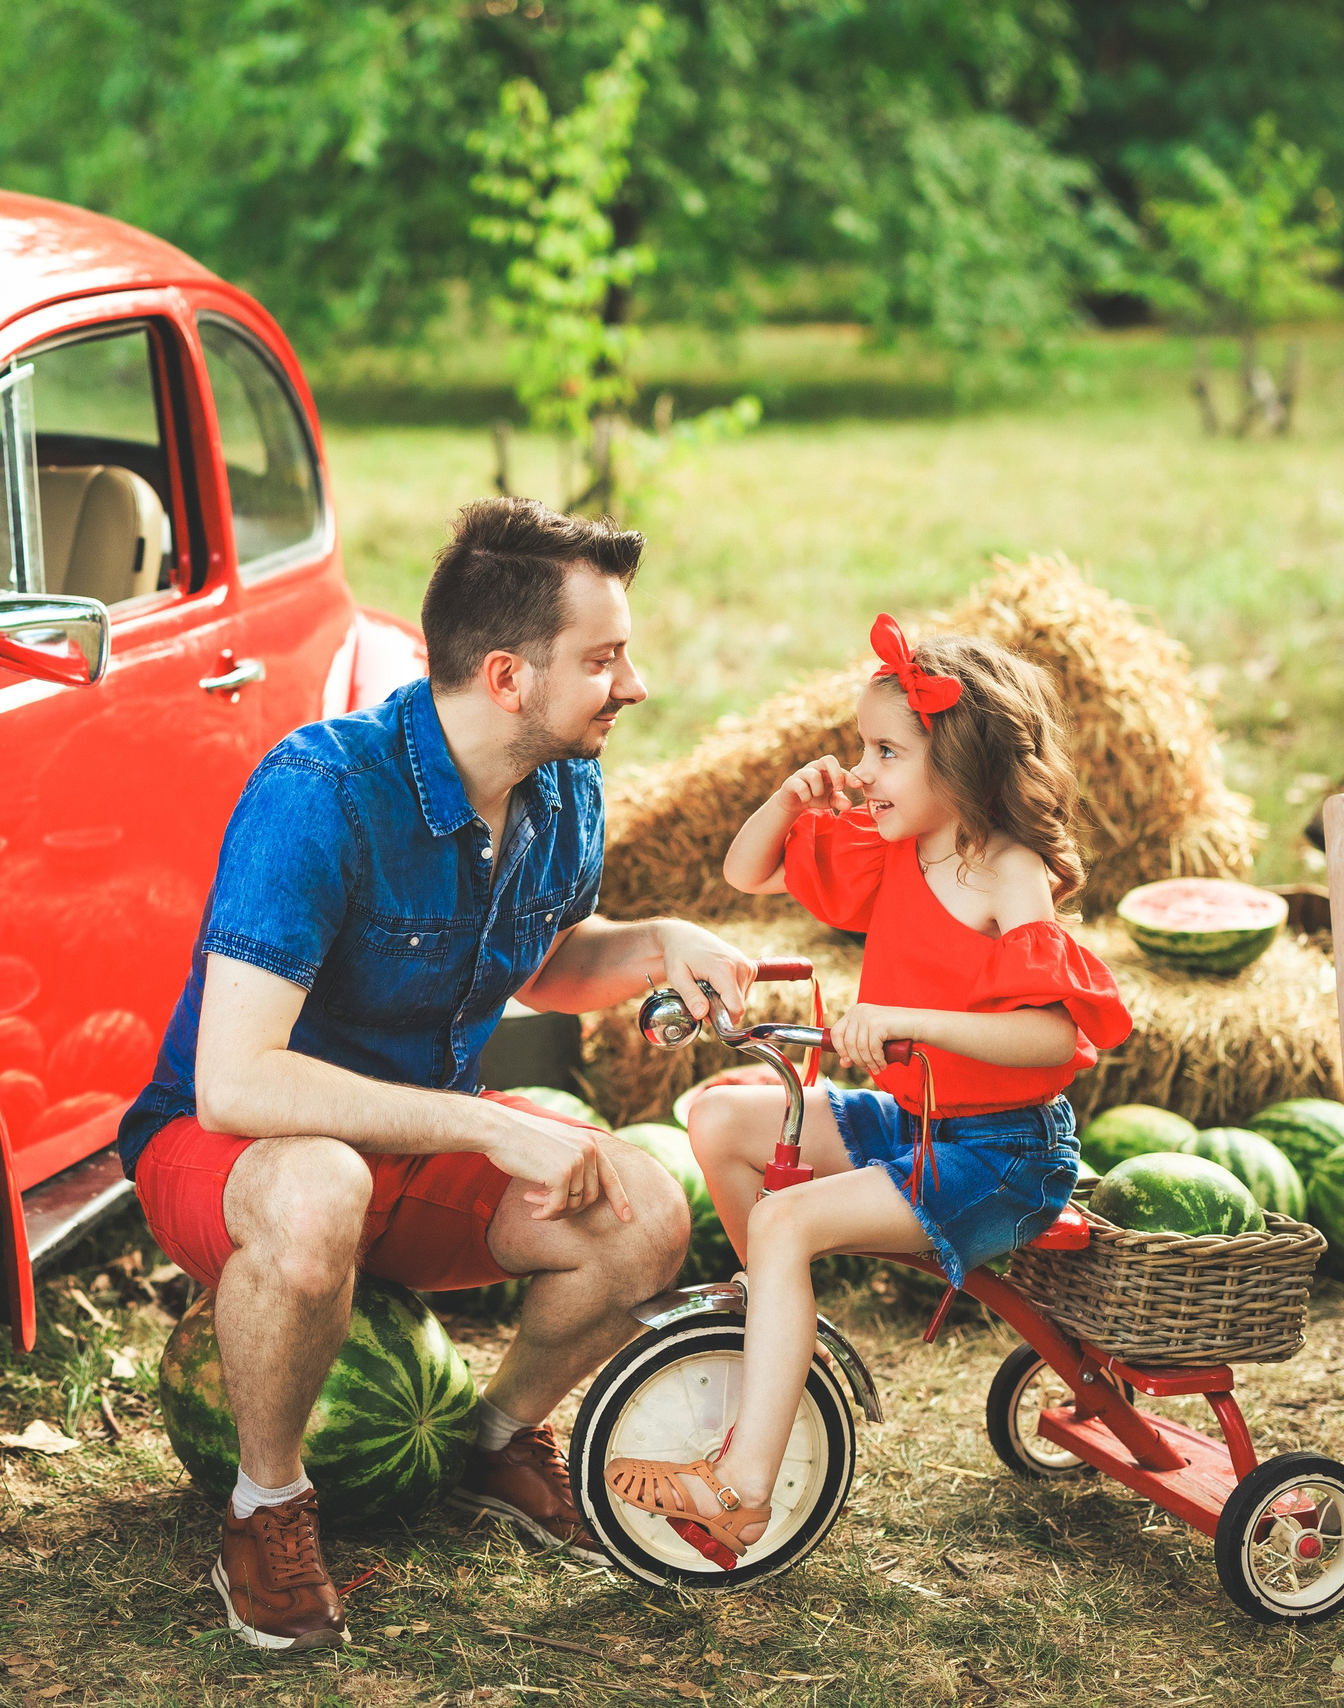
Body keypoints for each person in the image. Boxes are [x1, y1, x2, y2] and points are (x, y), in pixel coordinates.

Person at [117, 498, 757, 1652]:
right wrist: (485, 1125)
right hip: (234, 1154)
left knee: (646, 1215)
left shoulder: (561, 785)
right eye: (605, 659)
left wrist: (661, 938)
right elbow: (234, 1081)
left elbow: (545, 961)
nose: (637, 684)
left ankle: (495, 1437)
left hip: (410, 1148)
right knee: (319, 1190)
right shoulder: (319, 794)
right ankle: (266, 1505)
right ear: (507, 677)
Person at [600, 614, 1132, 1560]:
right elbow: (745, 869)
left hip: (1004, 1152)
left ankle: (742, 1492)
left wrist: (910, 1023)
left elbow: (1052, 1034)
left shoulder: (1007, 872)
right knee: (719, 1115)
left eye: (887, 751)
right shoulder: (897, 848)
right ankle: (771, 1312)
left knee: (786, 1219)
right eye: (861, 749)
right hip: (923, 1119)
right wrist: (786, 797)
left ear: (961, 764)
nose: (864, 771)